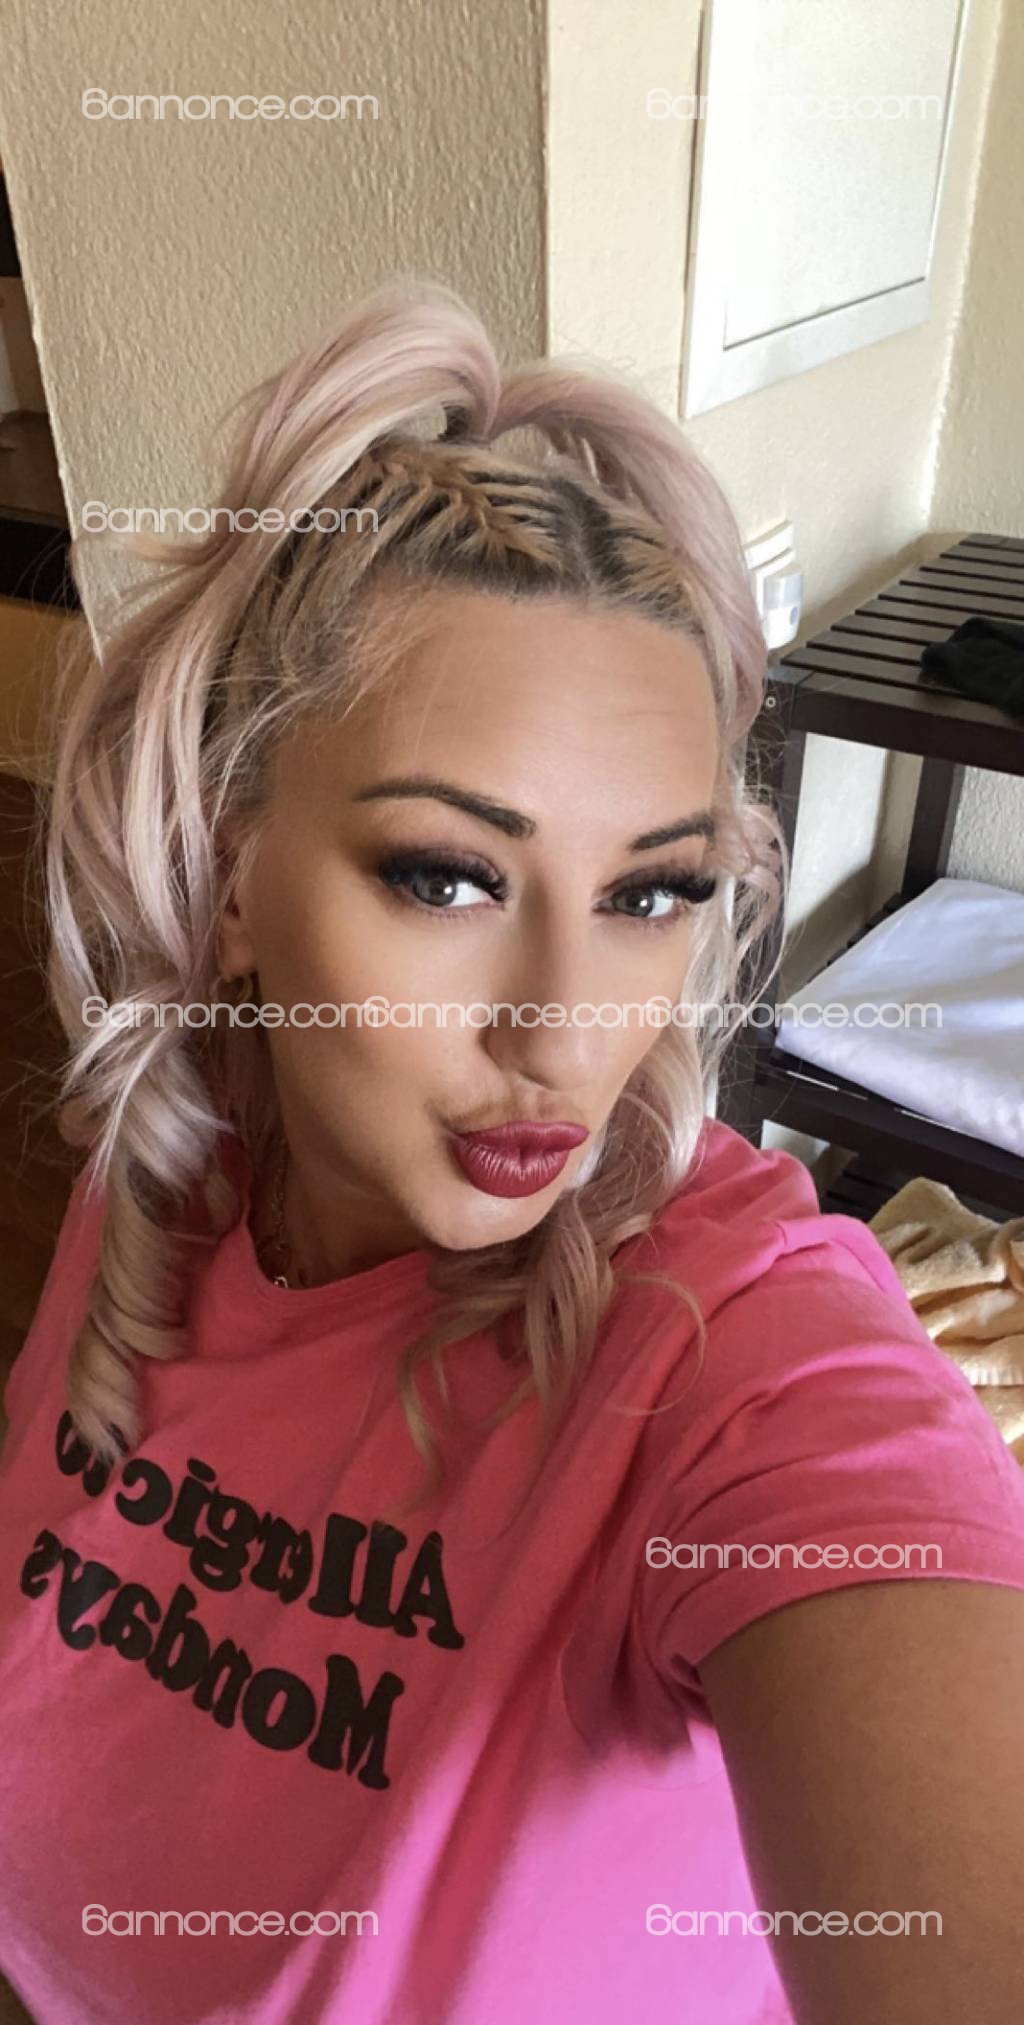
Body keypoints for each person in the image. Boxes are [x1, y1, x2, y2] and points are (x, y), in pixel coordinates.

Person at [0, 282, 1021, 2025]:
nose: (565, 1033)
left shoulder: (736, 1353)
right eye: (450, 877)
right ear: (233, 876)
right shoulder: (167, 1174)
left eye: (652, 893)